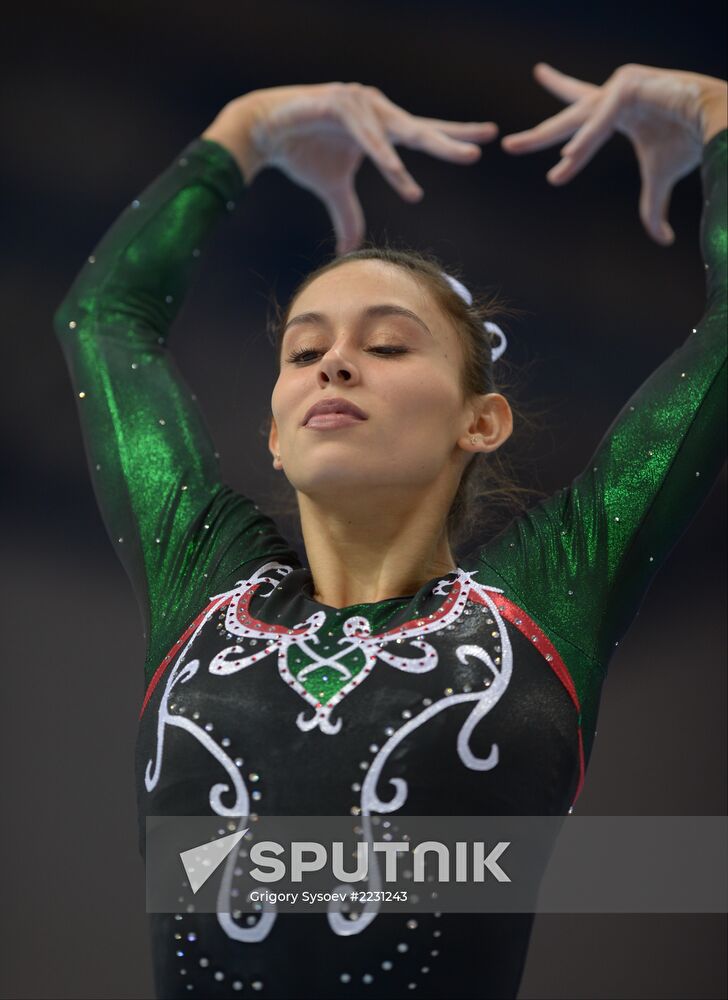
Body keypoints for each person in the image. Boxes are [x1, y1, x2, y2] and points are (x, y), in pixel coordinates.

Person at [53, 63, 726, 1000]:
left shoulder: (541, 607)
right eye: (305, 348)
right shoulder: (205, 586)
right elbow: (102, 326)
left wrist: (716, 113)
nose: (334, 363)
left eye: (386, 344)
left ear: (478, 422)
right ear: (276, 435)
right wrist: (243, 130)